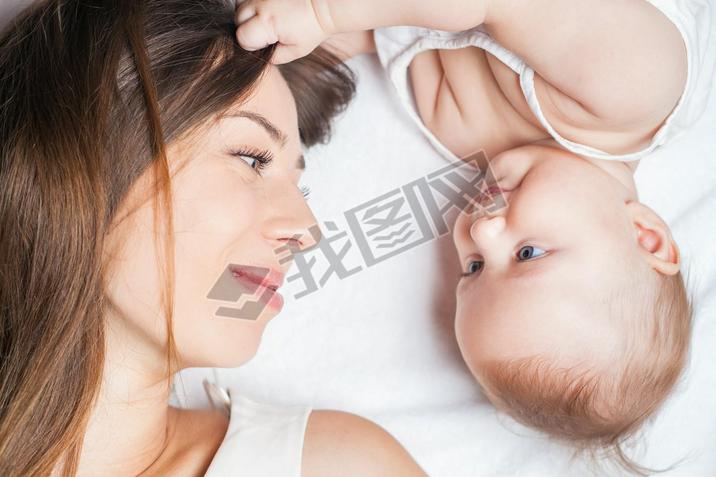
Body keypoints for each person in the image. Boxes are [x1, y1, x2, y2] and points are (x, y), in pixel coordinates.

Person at [234, 0, 711, 471]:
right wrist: (324, 14)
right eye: (528, 254)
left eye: (475, 267)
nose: (481, 231)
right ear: (646, 236)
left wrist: (315, 44)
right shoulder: (630, 92)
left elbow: (391, 33)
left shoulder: (476, 146)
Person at [0, 1, 427, 476]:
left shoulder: (335, 466)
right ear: (84, 157)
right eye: (251, 159)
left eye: (298, 186)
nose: (308, 232)